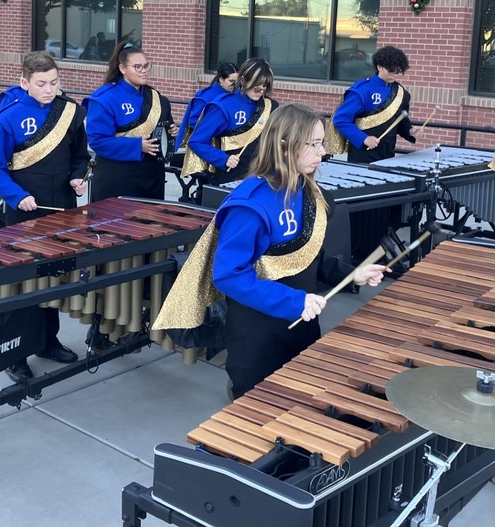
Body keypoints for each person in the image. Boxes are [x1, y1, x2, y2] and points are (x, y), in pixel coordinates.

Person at [154, 103, 386, 398]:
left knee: (300, 407)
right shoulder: (251, 205)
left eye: (321, 143)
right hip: (258, 336)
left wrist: (353, 274)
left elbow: (309, 258)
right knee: (257, 416)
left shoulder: (311, 194)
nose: (322, 152)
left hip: (302, 326)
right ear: (284, 145)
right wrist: (294, 301)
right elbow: (229, 276)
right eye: (313, 144)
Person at [0, 51, 90, 382]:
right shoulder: (9, 118)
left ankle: (47, 341)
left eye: (54, 83)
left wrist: (77, 176)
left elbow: (79, 155)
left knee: (52, 279)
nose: (49, 90)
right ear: (24, 82)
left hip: (62, 209)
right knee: (23, 284)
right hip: (24, 211)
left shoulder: (69, 112)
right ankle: (16, 354)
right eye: (41, 84)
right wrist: (17, 196)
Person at [329, 45, 416, 260]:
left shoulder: (400, 93)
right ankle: (360, 250)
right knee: (364, 206)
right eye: (393, 70)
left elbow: (401, 121)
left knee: (383, 205)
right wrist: (362, 138)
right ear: (379, 66)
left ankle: (380, 247)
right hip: (363, 157)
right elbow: (341, 120)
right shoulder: (362, 91)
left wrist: (411, 131)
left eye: (400, 71)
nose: (397, 75)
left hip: (388, 156)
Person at [83, 44, 177, 202]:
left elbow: (162, 129)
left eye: (146, 66)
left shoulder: (156, 97)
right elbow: (97, 141)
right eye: (137, 67)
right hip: (118, 178)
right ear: (122, 68)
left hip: (152, 177)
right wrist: (137, 145)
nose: (144, 70)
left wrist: (171, 131)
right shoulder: (105, 98)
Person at [182, 57, 276, 185]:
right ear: (243, 80)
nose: (260, 90)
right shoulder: (223, 106)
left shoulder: (270, 106)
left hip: (262, 177)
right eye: (256, 85)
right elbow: (196, 141)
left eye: (264, 86)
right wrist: (223, 159)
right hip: (232, 177)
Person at [173, 62, 238, 151]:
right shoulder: (204, 97)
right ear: (221, 79)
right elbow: (193, 123)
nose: (235, 85)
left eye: (237, 82)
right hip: (207, 145)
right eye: (231, 81)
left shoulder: (235, 96)